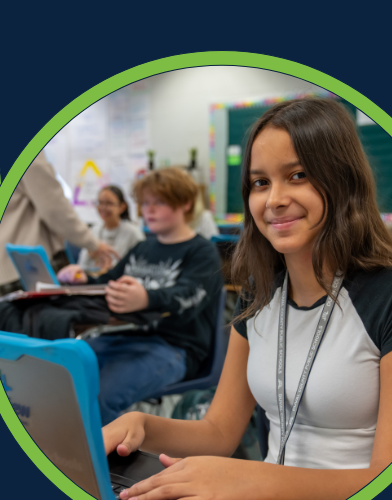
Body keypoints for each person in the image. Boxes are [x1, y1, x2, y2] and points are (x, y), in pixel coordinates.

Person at [102, 97, 392, 499]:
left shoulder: (384, 295)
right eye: (260, 183)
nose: (273, 200)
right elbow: (219, 433)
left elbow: (383, 478)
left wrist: (251, 479)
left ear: (343, 179)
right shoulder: (260, 292)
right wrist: (143, 425)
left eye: (298, 175)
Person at [50, 168, 221, 424]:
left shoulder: (202, 252)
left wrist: (146, 299)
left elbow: (188, 296)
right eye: (145, 203)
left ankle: (95, 450)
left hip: (176, 347)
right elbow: (108, 282)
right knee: (60, 372)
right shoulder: (143, 248)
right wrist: (83, 279)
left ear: (185, 203)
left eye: (159, 202)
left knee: (99, 397)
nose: (148, 210)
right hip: (126, 337)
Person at [0, 154, 116, 294]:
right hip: (24, 265)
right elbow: (55, 209)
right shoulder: (28, 155)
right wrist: (93, 244)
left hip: (1, 261)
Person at [80, 185, 144, 276]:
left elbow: (141, 267)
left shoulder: (133, 233)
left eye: (109, 203)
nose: (103, 207)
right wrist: (91, 255)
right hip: (91, 279)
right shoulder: (94, 230)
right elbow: (82, 265)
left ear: (122, 207)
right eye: (100, 202)